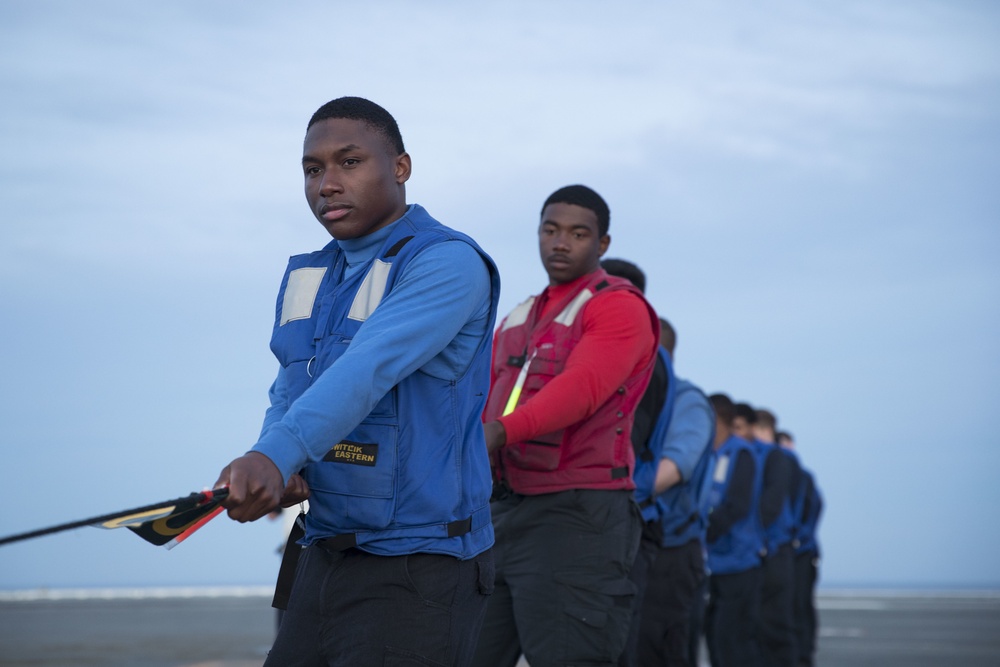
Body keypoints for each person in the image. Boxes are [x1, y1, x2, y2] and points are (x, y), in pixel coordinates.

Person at [212, 96, 501, 666]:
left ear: (400, 167)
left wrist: (275, 454)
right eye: (313, 169)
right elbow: (292, 385)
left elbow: (365, 369)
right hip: (324, 553)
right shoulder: (312, 274)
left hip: (420, 566)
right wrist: (282, 462)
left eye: (349, 162)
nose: (327, 184)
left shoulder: (447, 262)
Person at [472, 186, 659, 667]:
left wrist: (497, 433)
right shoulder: (518, 315)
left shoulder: (618, 305)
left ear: (603, 244)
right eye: (551, 230)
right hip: (500, 513)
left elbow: (583, 388)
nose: (560, 243)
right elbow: (473, 395)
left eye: (578, 234)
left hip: (577, 518)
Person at [602, 259, 716, 667]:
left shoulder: (688, 400)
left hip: (669, 544)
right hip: (627, 528)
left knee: (656, 648)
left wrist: (616, 486)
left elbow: (675, 467)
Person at [705, 394, 765, 667]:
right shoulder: (709, 454)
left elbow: (737, 506)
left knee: (733, 639)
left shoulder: (740, 453)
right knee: (715, 637)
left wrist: (703, 534)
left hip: (738, 561)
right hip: (713, 563)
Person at [740, 405, 801, 667]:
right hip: (772, 546)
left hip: (771, 548)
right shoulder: (774, 457)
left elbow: (774, 504)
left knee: (773, 625)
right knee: (762, 625)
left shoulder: (773, 457)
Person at [779, 431, 823, 667]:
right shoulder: (792, 474)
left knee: (801, 605)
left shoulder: (803, 477)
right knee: (791, 606)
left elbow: (814, 508)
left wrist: (798, 539)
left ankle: (804, 655)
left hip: (802, 552)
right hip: (791, 549)